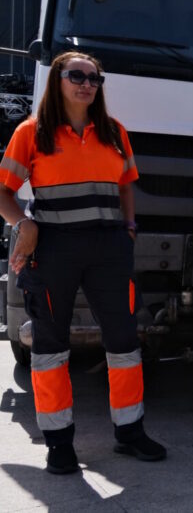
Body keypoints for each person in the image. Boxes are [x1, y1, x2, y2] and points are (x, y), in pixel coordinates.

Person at [0, 51, 165, 475]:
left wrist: (128, 229)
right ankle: (59, 443)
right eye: (77, 75)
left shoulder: (114, 132)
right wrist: (24, 224)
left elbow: (127, 185)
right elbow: (3, 192)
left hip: (109, 249)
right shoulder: (30, 133)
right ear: (58, 79)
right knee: (51, 346)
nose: (87, 83)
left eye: (95, 78)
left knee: (125, 341)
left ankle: (129, 431)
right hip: (54, 248)